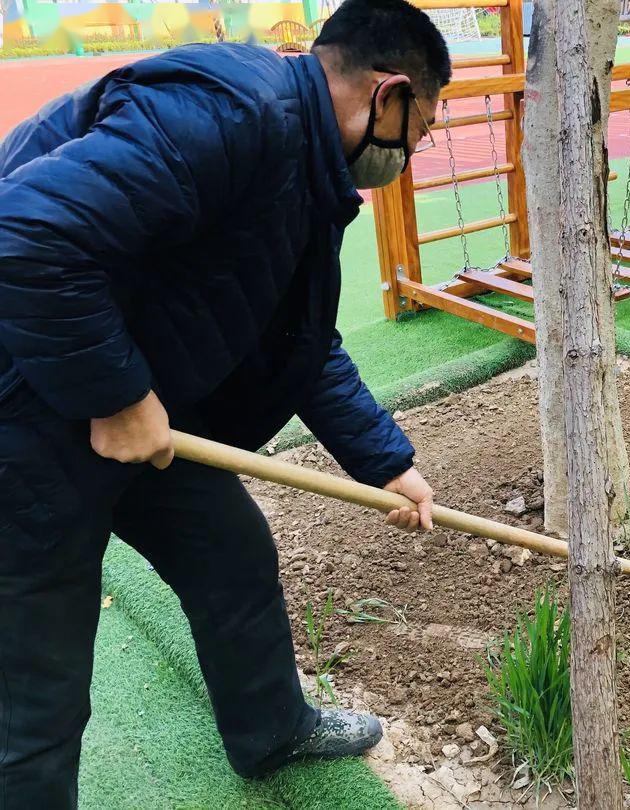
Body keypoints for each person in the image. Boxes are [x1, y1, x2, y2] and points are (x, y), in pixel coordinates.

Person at [0, 0, 451, 804]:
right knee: (39, 677)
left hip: (132, 387)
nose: (413, 152)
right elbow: (27, 235)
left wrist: (388, 464)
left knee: (231, 556)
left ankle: (270, 729)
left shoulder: (310, 165)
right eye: (423, 130)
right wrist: (118, 395)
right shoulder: (232, 115)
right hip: (27, 394)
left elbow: (300, 344)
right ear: (388, 97)